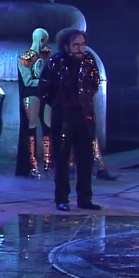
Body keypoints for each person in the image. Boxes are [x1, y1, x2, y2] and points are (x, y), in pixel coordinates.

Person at [39, 28, 102, 212]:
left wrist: (85, 98)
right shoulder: (55, 62)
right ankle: (61, 198)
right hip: (63, 116)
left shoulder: (89, 61)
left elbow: (95, 83)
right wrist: (58, 103)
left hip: (85, 115)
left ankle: (85, 198)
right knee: (61, 158)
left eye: (82, 44)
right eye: (76, 45)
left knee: (85, 158)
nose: (80, 48)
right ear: (66, 46)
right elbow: (43, 88)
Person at [16, 27, 52, 178]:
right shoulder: (26, 57)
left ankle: (48, 165)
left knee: (48, 127)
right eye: (43, 40)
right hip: (32, 95)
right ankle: (32, 166)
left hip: (46, 95)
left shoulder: (47, 55)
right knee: (31, 128)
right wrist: (46, 82)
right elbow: (28, 81)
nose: (44, 44)